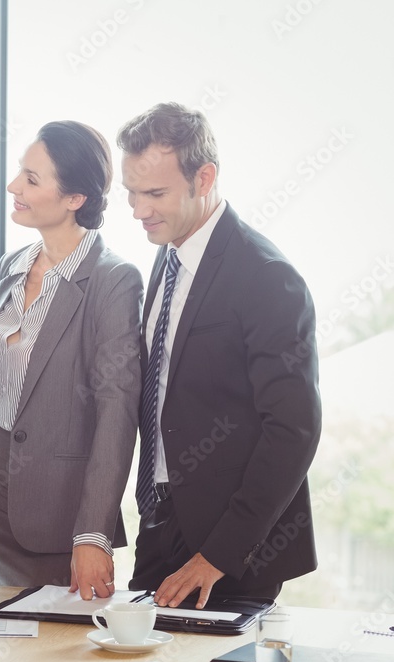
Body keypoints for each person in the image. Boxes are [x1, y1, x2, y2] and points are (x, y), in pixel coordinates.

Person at [118, 102, 321, 608]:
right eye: (132, 194)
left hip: (232, 549)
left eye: (155, 194)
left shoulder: (267, 275)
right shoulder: (166, 256)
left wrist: (218, 555)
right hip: (158, 524)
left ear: (204, 177)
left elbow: (294, 429)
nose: (139, 210)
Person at [0, 121, 143, 596]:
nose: (13, 187)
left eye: (31, 178)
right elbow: (8, 386)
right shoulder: (12, 265)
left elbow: (117, 414)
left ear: (74, 199)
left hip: (59, 514)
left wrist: (93, 533)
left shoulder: (114, 281)